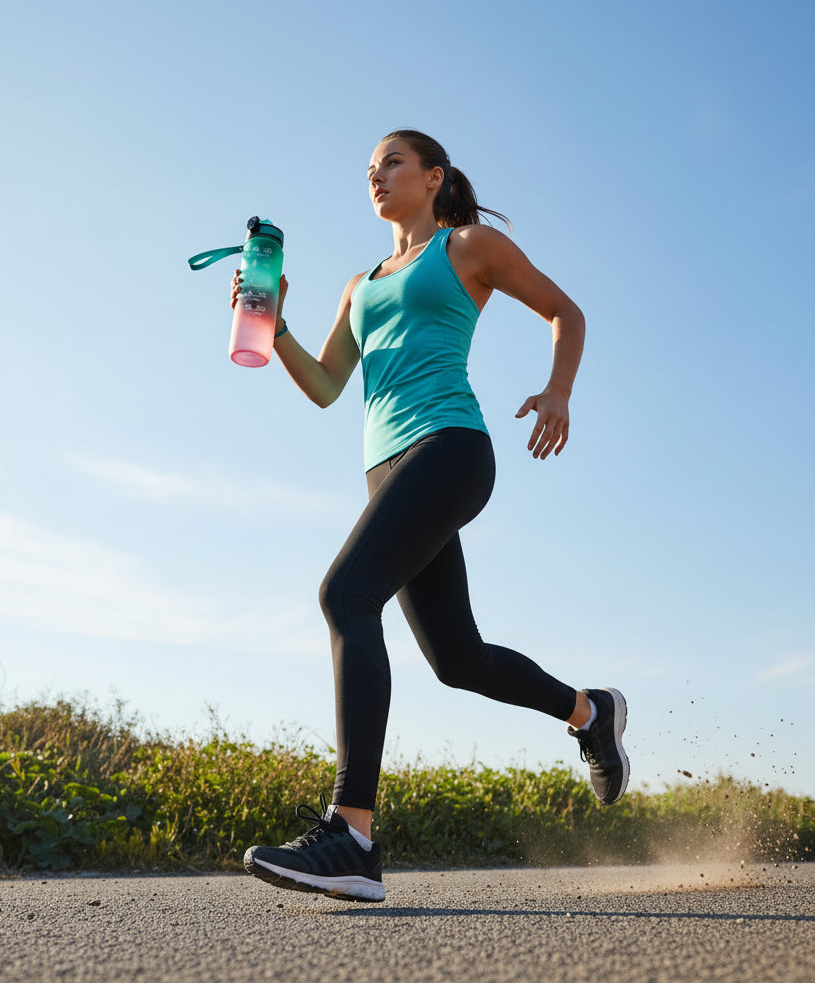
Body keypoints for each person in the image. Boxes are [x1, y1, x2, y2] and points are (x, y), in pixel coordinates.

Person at [238, 129, 628, 903]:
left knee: (344, 596)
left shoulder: (468, 246)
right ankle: (591, 712)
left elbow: (566, 311)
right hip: (387, 473)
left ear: (433, 176)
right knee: (457, 659)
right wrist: (273, 322)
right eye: (369, 168)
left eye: (392, 162)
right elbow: (323, 385)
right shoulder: (361, 282)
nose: (376, 176)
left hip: (449, 447)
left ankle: (350, 834)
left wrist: (559, 391)